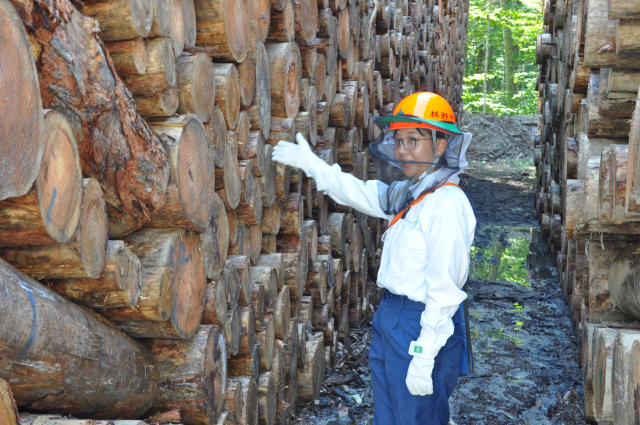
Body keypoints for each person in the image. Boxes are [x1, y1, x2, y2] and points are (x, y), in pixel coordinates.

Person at [272, 92, 475, 425]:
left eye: (414, 139)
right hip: (392, 317)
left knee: (417, 418)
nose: (403, 149)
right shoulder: (412, 193)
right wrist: (312, 165)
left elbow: (446, 290)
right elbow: (362, 193)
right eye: (398, 140)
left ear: (441, 145)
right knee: (390, 417)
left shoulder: (446, 205)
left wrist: (424, 355)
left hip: (419, 325)